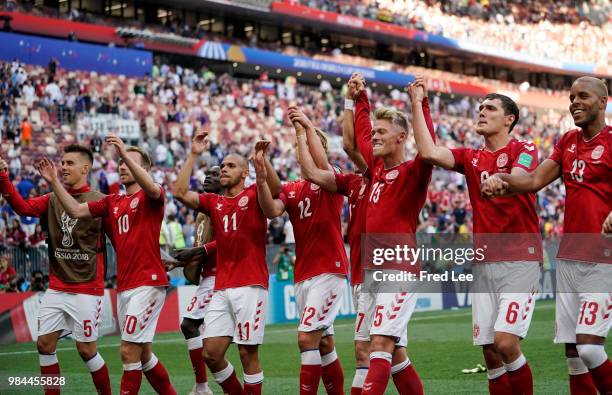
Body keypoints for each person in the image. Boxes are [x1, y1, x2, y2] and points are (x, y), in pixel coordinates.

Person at [411, 77, 541, 395]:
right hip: (484, 265)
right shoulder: (470, 157)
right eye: (480, 107)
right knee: (490, 352)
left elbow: (523, 177)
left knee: (506, 343)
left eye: (490, 108)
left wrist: (501, 178)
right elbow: (428, 152)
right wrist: (417, 103)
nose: (481, 112)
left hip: (520, 260)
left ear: (509, 119)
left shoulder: (524, 148)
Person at [482, 76, 612, 394]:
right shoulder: (567, 141)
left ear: (602, 103)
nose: (574, 102)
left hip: (604, 259)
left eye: (583, 96)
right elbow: (533, 180)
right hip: (569, 259)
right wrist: (503, 179)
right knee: (573, 356)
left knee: (590, 348)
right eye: (571, 97)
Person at [37, 135, 176, 395]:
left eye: (128, 162)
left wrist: (123, 150)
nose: (122, 166)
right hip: (125, 286)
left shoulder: (151, 197)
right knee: (143, 355)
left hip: (149, 283)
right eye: (120, 163)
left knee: (127, 351)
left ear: (144, 169)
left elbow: (154, 189)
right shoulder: (112, 201)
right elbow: (77, 211)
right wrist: (55, 182)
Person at [174, 131, 280, 395]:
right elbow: (179, 191)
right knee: (210, 353)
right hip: (221, 287)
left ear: (245, 174)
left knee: (247, 353)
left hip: (251, 285)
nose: (223, 169)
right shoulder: (214, 202)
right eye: (222, 166)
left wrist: (263, 164)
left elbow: (277, 193)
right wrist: (194, 154)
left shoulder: (256, 193)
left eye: (230, 166)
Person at [0, 145, 112, 395]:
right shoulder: (52, 199)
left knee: (86, 350)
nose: (63, 167)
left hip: (87, 288)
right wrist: (3, 178)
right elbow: (24, 209)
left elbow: (118, 240)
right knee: (44, 345)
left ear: (86, 168)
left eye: (69, 163)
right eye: (62, 162)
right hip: (57, 286)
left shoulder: (101, 201)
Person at [255, 108, 348, 395]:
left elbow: (317, 164)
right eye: (301, 147)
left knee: (306, 338)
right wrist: (262, 170)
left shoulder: (333, 179)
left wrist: (303, 129)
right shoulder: (294, 189)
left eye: (309, 145)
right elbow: (272, 210)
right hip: (304, 273)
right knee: (323, 343)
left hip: (329, 269)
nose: (302, 151)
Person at [352, 72, 433, 394]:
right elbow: (359, 136)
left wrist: (420, 103)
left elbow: (429, 146)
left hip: (398, 269)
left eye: (382, 132)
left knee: (381, 343)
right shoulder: (376, 170)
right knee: (392, 351)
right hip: (372, 270)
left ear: (402, 138)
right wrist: (360, 99)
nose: (375, 137)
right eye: (375, 132)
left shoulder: (414, 171)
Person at [167, 165, 222, 395]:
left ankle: (203, 387)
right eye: (207, 175)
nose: (208, 178)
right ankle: (204, 386)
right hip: (208, 276)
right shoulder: (201, 213)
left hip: (223, 276)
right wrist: (178, 262)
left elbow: (228, 242)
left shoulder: (227, 206)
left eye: (215, 175)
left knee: (191, 327)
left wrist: (191, 252)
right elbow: (201, 249)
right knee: (205, 336)